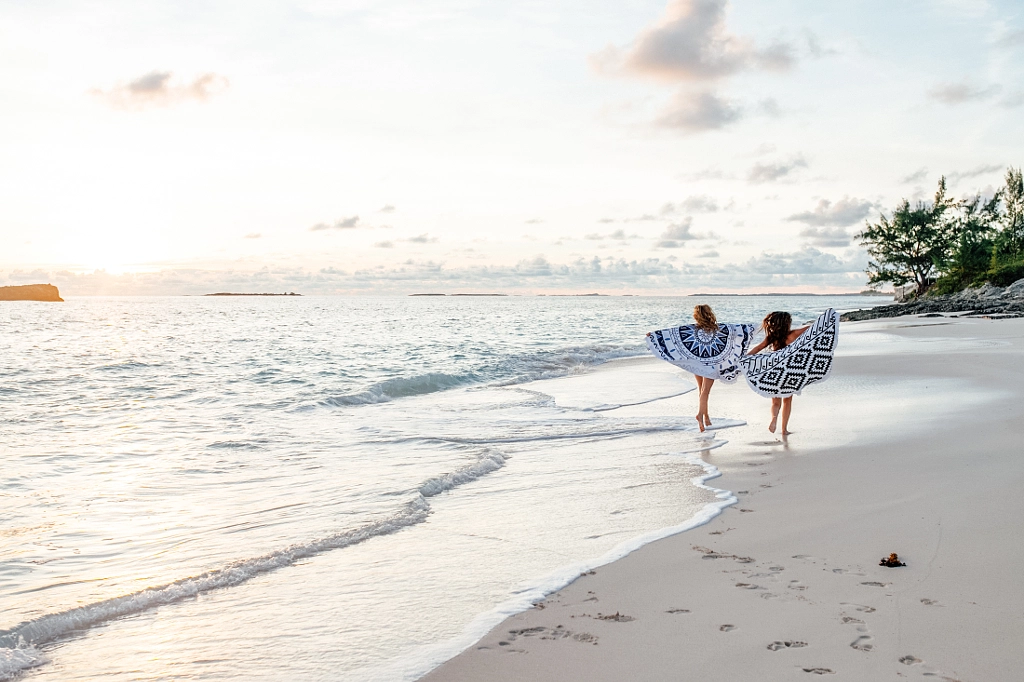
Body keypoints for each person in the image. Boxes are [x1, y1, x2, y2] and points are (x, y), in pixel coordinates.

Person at [747, 311, 809, 435]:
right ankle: (784, 429)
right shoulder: (793, 334)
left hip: (774, 371)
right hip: (789, 372)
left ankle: (773, 420)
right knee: (787, 401)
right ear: (787, 323)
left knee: (775, 402)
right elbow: (810, 328)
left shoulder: (772, 337)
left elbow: (758, 348)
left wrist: (745, 358)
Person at [691, 304, 719, 432]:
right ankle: (700, 415)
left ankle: (706, 417)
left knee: (701, 391)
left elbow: (672, 333)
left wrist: (653, 335)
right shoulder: (716, 328)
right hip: (710, 363)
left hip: (696, 362)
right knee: (705, 391)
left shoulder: (692, 329)